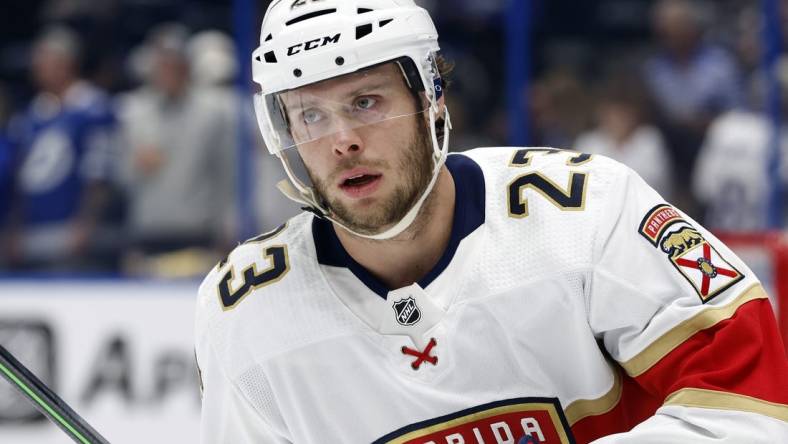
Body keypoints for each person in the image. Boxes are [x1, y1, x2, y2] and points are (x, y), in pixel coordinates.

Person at [194, 1, 788, 443]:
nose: (342, 140)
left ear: (432, 97)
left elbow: (752, 407)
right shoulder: (247, 310)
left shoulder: (583, 209)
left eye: (366, 102)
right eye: (311, 115)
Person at [1, 27, 119, 271]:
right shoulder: (31, 114)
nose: (37, 67)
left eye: (44, 61)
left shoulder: (92, 108)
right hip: (31, 233)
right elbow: (19, 177)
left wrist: (85, 224)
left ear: (66, 63)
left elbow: (99, 172)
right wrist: (14, 227)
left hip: (69, 233)